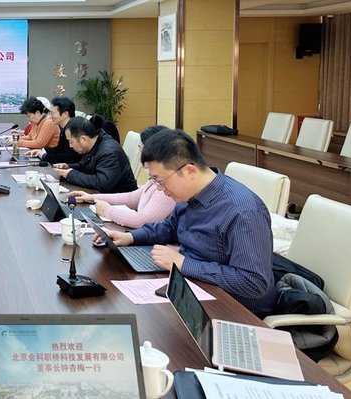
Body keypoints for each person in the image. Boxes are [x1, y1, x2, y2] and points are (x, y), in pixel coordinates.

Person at [99, 129, 275, 317]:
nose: (160, 189)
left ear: (189, 171)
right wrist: (130, 237)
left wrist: (183, 264)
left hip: (235, 309)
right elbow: (170, 228)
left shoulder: (243, 212)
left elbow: (253, 282)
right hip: (192, 289)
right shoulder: (189, 194)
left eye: (160, 181)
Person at [67, 125, 175, 228]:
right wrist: (92, 197)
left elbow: (141, 220)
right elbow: (131, 198)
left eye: (140, 150)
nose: (138, 154)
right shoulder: (154, 179)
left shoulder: (166, 185)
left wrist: (107, 211)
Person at [52, 116, 137, 192]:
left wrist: (70, 174)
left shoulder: (109, 152)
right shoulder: (95, 143)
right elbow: (86, 165)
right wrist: (68, 167)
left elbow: (102, 183)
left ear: (83, 139)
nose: (70, 146)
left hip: (119, 200)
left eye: (71, 142)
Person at [25, 96, 82, 164]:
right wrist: (42, 151)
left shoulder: (74, 129)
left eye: (52, 113)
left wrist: (45, 156)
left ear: (65, 114)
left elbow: (68, 157)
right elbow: (59, 149)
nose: (50, 116)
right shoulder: (64, 128)